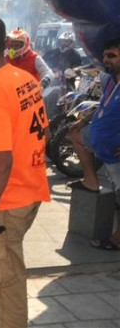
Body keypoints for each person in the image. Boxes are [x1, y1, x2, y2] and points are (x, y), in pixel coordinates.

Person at [0, 13, 51, 326]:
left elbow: (1, 159)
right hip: (29, 192)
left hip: (5, 201)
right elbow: (44, 132)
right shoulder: (23, 79)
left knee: (2, 282)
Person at [67, 37, 120, 250]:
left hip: (115, 152)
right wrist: (84, 120)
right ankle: (90, 180)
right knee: (74, 133)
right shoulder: (110, 81)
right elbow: (103, 106)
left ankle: (117, 239)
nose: (106, 60)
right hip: (101, 145)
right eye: (105, 56)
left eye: (112, 56)